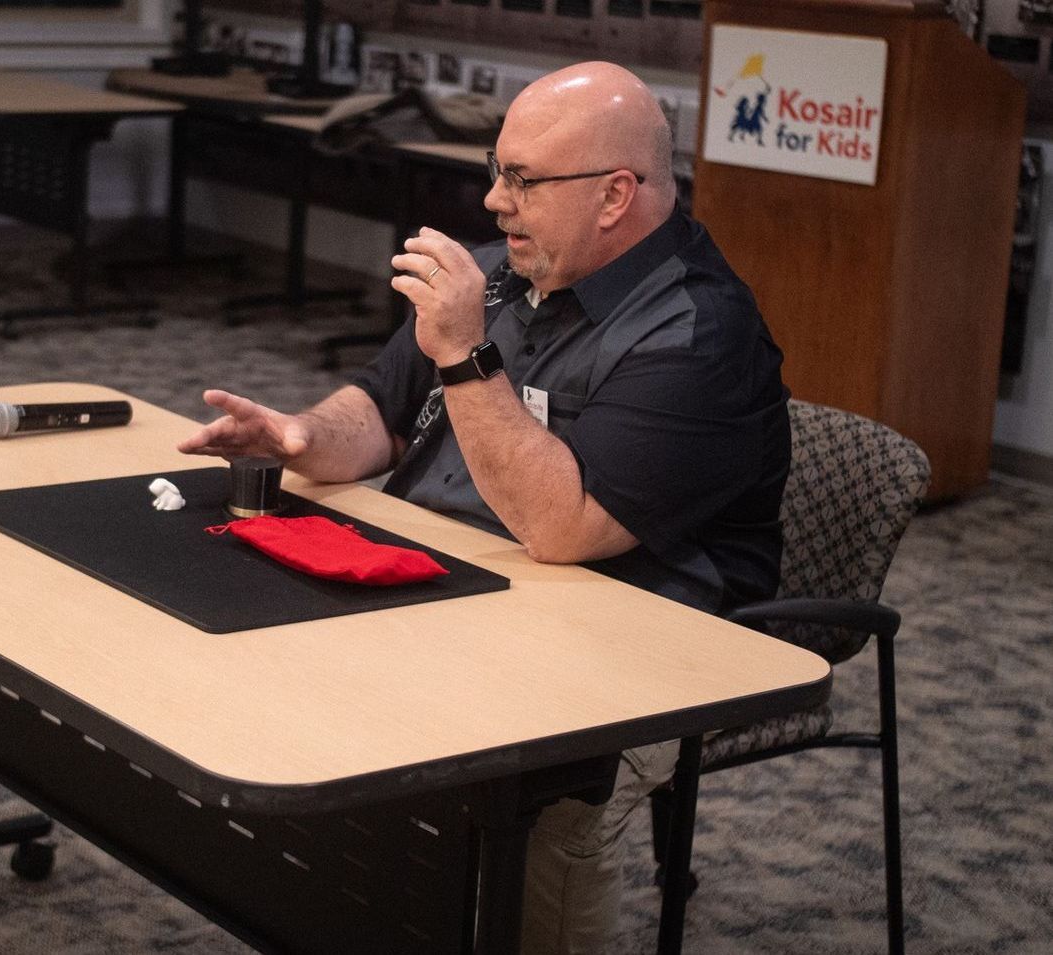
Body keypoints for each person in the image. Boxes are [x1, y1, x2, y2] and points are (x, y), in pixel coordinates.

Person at [178, 61, 790, 954]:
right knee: (261, 676)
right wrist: (300, 436)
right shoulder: (507, 272)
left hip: (641, 640)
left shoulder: (697, 330)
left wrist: (465, 353)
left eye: (521, 179)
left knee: (547, 803)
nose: (493, 200)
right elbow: (378, 417)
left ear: (615, 195)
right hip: (456, 588)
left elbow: (563, 529)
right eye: (497, 170)